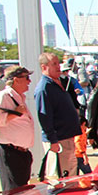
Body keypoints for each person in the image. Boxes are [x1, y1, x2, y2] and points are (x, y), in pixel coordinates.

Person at [0, 66, 35, 192]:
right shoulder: (3, 96)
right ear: (16, 79)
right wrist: (14, 114)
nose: (29, 81)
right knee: (14, 192)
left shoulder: (19, 97)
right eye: (26, 78)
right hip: (10, 151)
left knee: (22, 191)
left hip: (21, 153)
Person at [35, 51, 82, 179]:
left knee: (71, 173)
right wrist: (53, 140)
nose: (58, 67)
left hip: (68, 136)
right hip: (59, 140)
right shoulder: (44, 88)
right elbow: (44, 116)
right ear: (44, 67)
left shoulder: (58, 83)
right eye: (54, 64)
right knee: (62, 176)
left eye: (58, 63)